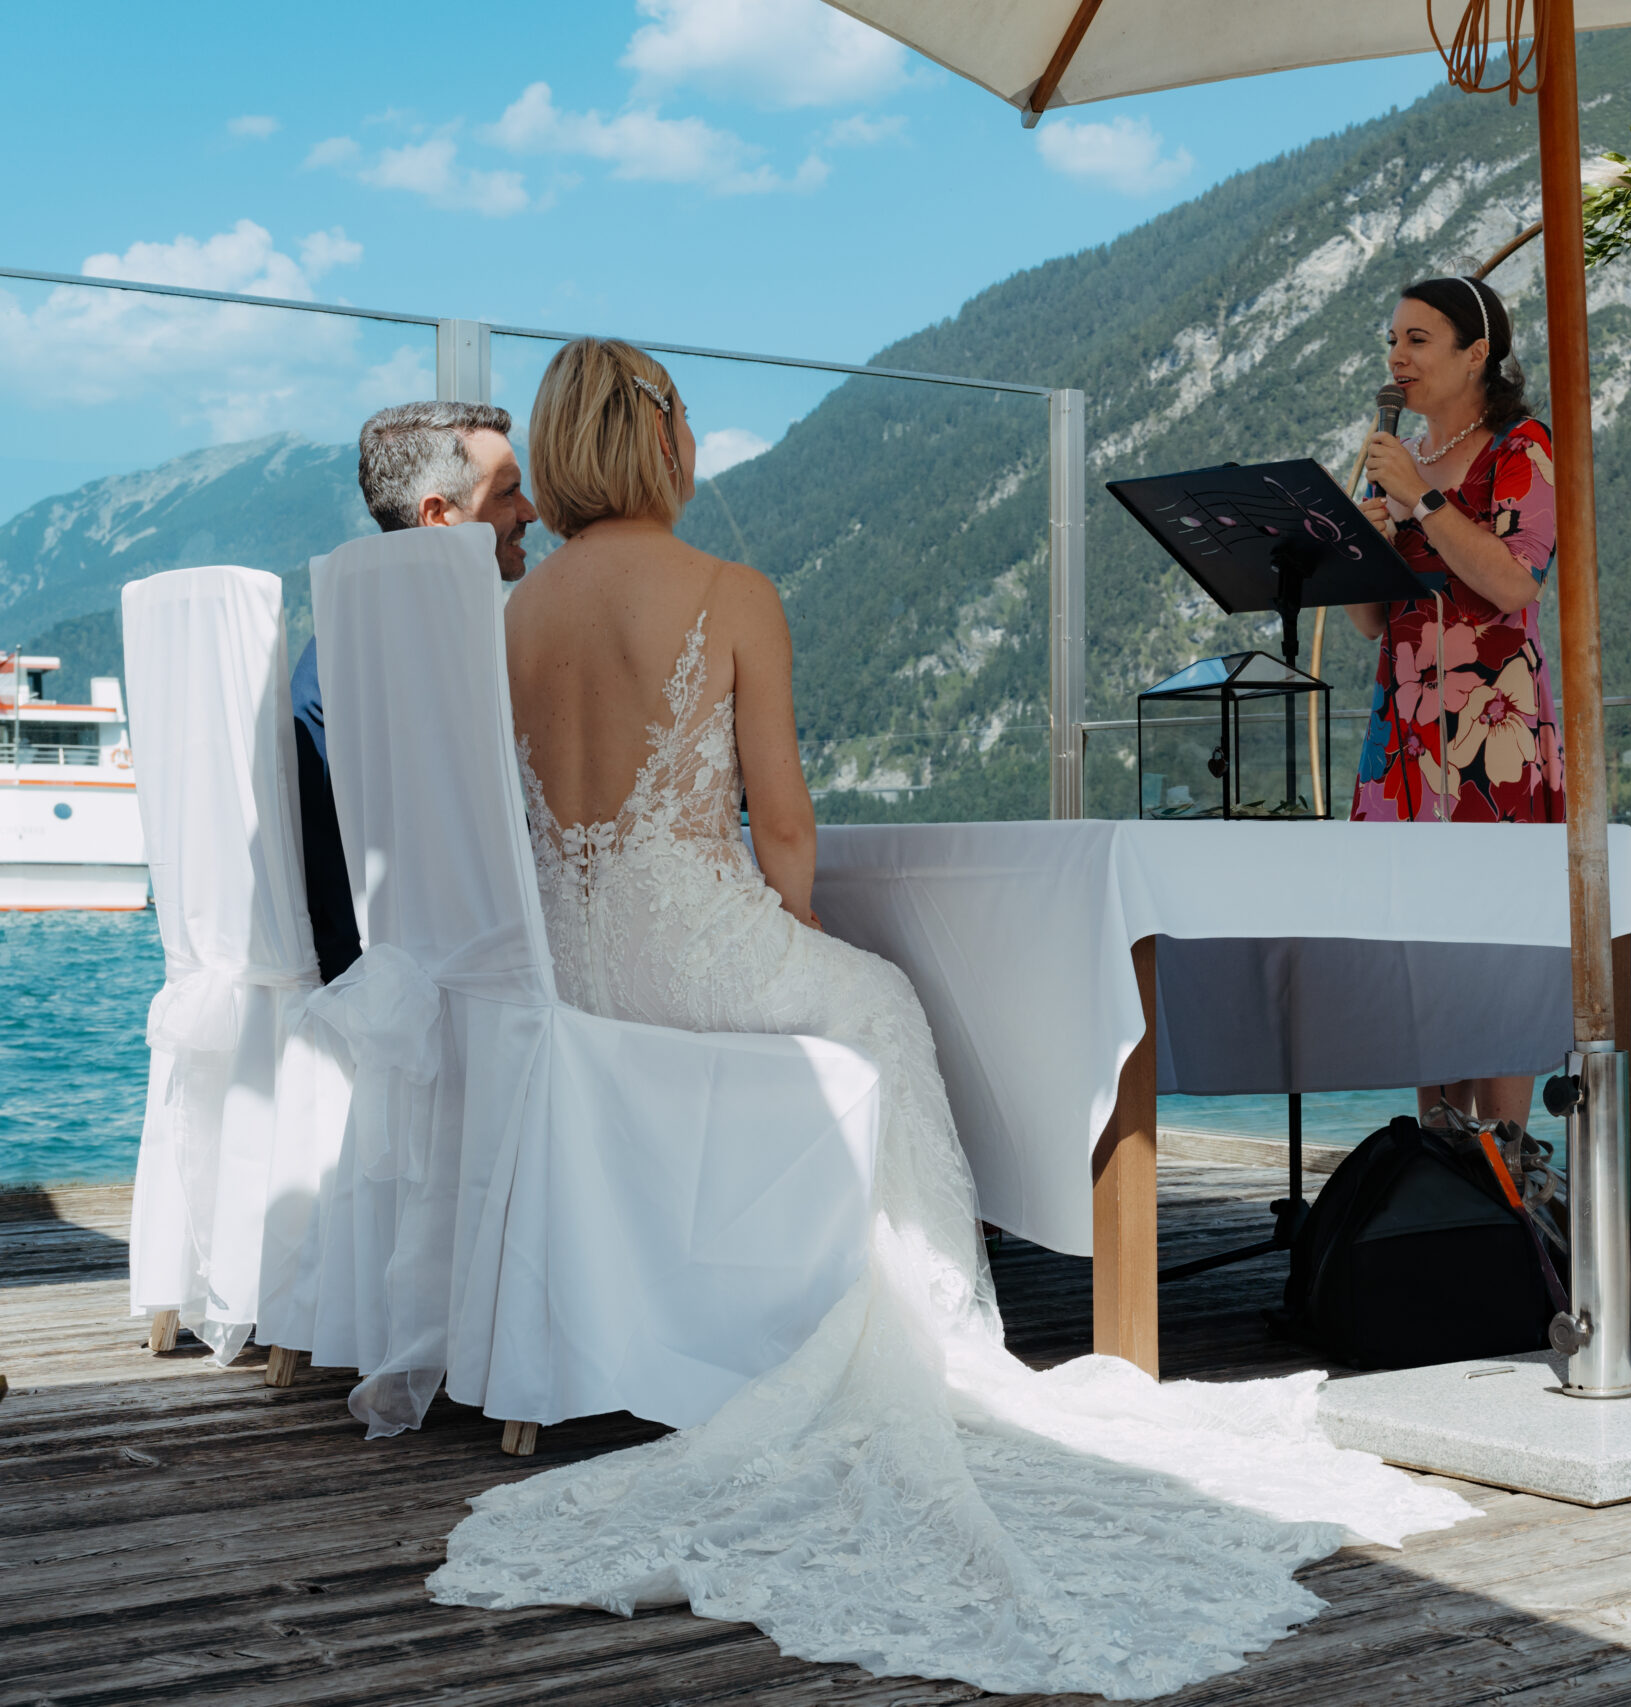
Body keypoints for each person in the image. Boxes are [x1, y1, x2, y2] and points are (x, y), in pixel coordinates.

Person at [424, 338, 1470, 1699]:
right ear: (659, 437)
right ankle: (936, 1346)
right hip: (688, 953)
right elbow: (782, 827)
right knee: (884, 1000)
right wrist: (793, 924)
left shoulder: (506, 619)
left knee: (856, 994)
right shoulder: (728, 590)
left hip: (571, 978)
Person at [1346, 276, 1564, 1130]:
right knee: (1422, 949)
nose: (1397, 357)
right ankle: (1438, 1151)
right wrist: (1367, 544)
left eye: (1418, 339)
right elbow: (1371, 621)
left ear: (1477, 353)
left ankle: (1508, 1157)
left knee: (1496, 942)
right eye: (1392, 340)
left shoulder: (1522, 446)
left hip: (1489, 731)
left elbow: (1514, 582)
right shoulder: (1395, 459)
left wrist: (1424, 500)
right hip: (1403, 733)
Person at [294, 402, 538, 980]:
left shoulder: (346, 650)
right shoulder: (426, 670)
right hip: (432, 992)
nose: (530, 511)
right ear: (438, 514)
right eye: (508, 493)